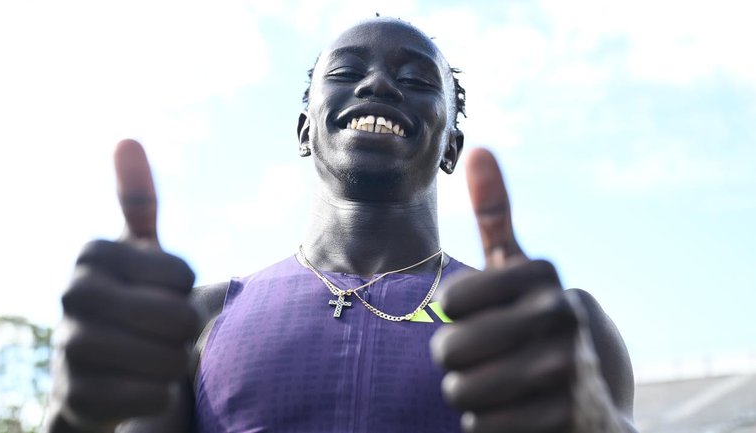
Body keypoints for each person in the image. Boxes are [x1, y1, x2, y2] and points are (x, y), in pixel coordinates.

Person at [43, 17, 637, 433]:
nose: (378, 84)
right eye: (347, 70)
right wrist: (70, 424)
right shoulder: (196, 321)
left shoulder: (553, 331)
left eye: (416, 80)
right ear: (305, 131)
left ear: (451, 146)